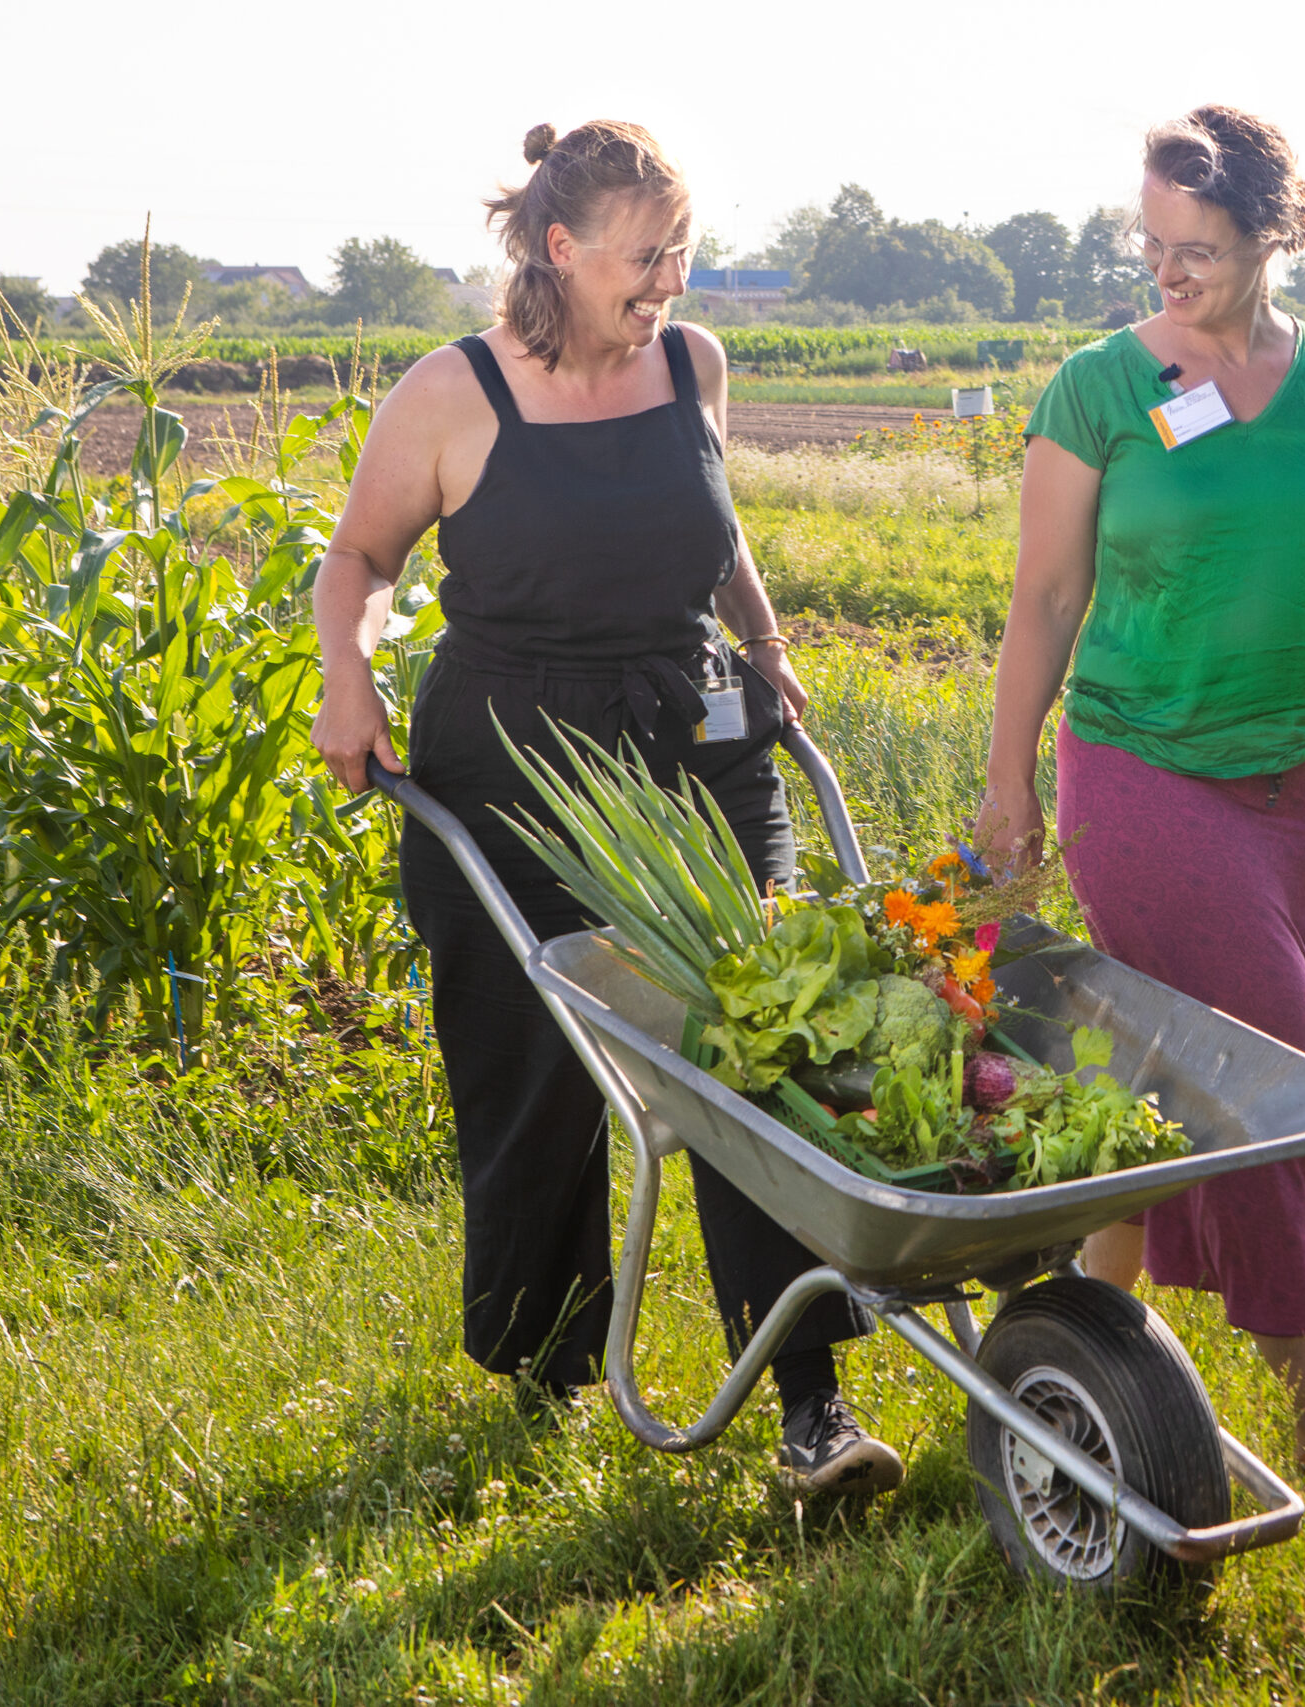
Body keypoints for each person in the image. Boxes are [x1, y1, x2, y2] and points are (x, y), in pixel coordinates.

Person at [310, 119, 900, 1498]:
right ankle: (549, 1354)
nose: (670, 282)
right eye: (645, 257)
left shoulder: (695, 363)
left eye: (683, 251)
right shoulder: (454, 394)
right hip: (511, 759)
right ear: (560, 250)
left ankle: (808, 1401)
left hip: (694, 742)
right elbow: (360, 558)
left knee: (756, 1041)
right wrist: (350, 675)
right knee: (532, 1068)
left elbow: (718, 524)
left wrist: (762, 639)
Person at [979, 105, 1305, 1466]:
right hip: (1143, 772)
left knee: (1163, 1087)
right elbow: (1046, 595)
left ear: (1274, 234)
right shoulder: (1102, 387)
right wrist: (1010, 781)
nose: (1167, 272)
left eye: (1201, 249)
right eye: (1152, 244)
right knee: (1269, 1069)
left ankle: (1053, 1372)